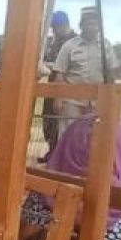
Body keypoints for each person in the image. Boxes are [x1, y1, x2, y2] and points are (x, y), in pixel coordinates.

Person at [51, 6, 118, 128]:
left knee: (92, 138)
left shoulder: (106, 46)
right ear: (81, 25)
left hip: (97, 101)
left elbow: (111, 73)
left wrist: (110, 98)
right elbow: (60, 74)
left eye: (96, 24)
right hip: (72, 101)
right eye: (89, 24)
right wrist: (58, 98)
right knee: (69, 136)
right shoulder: (69, 46)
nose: (93, 27)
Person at [41, 10, 76, 152]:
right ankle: (52, 149)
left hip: (65, 88)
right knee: (48, 118)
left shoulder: (74, 42)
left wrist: (50, 65)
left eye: (55, 27)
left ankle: (59, 152)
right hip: (51, 85)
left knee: (62, 122)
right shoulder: (54, 42)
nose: (54, 31)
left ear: (64, 25)